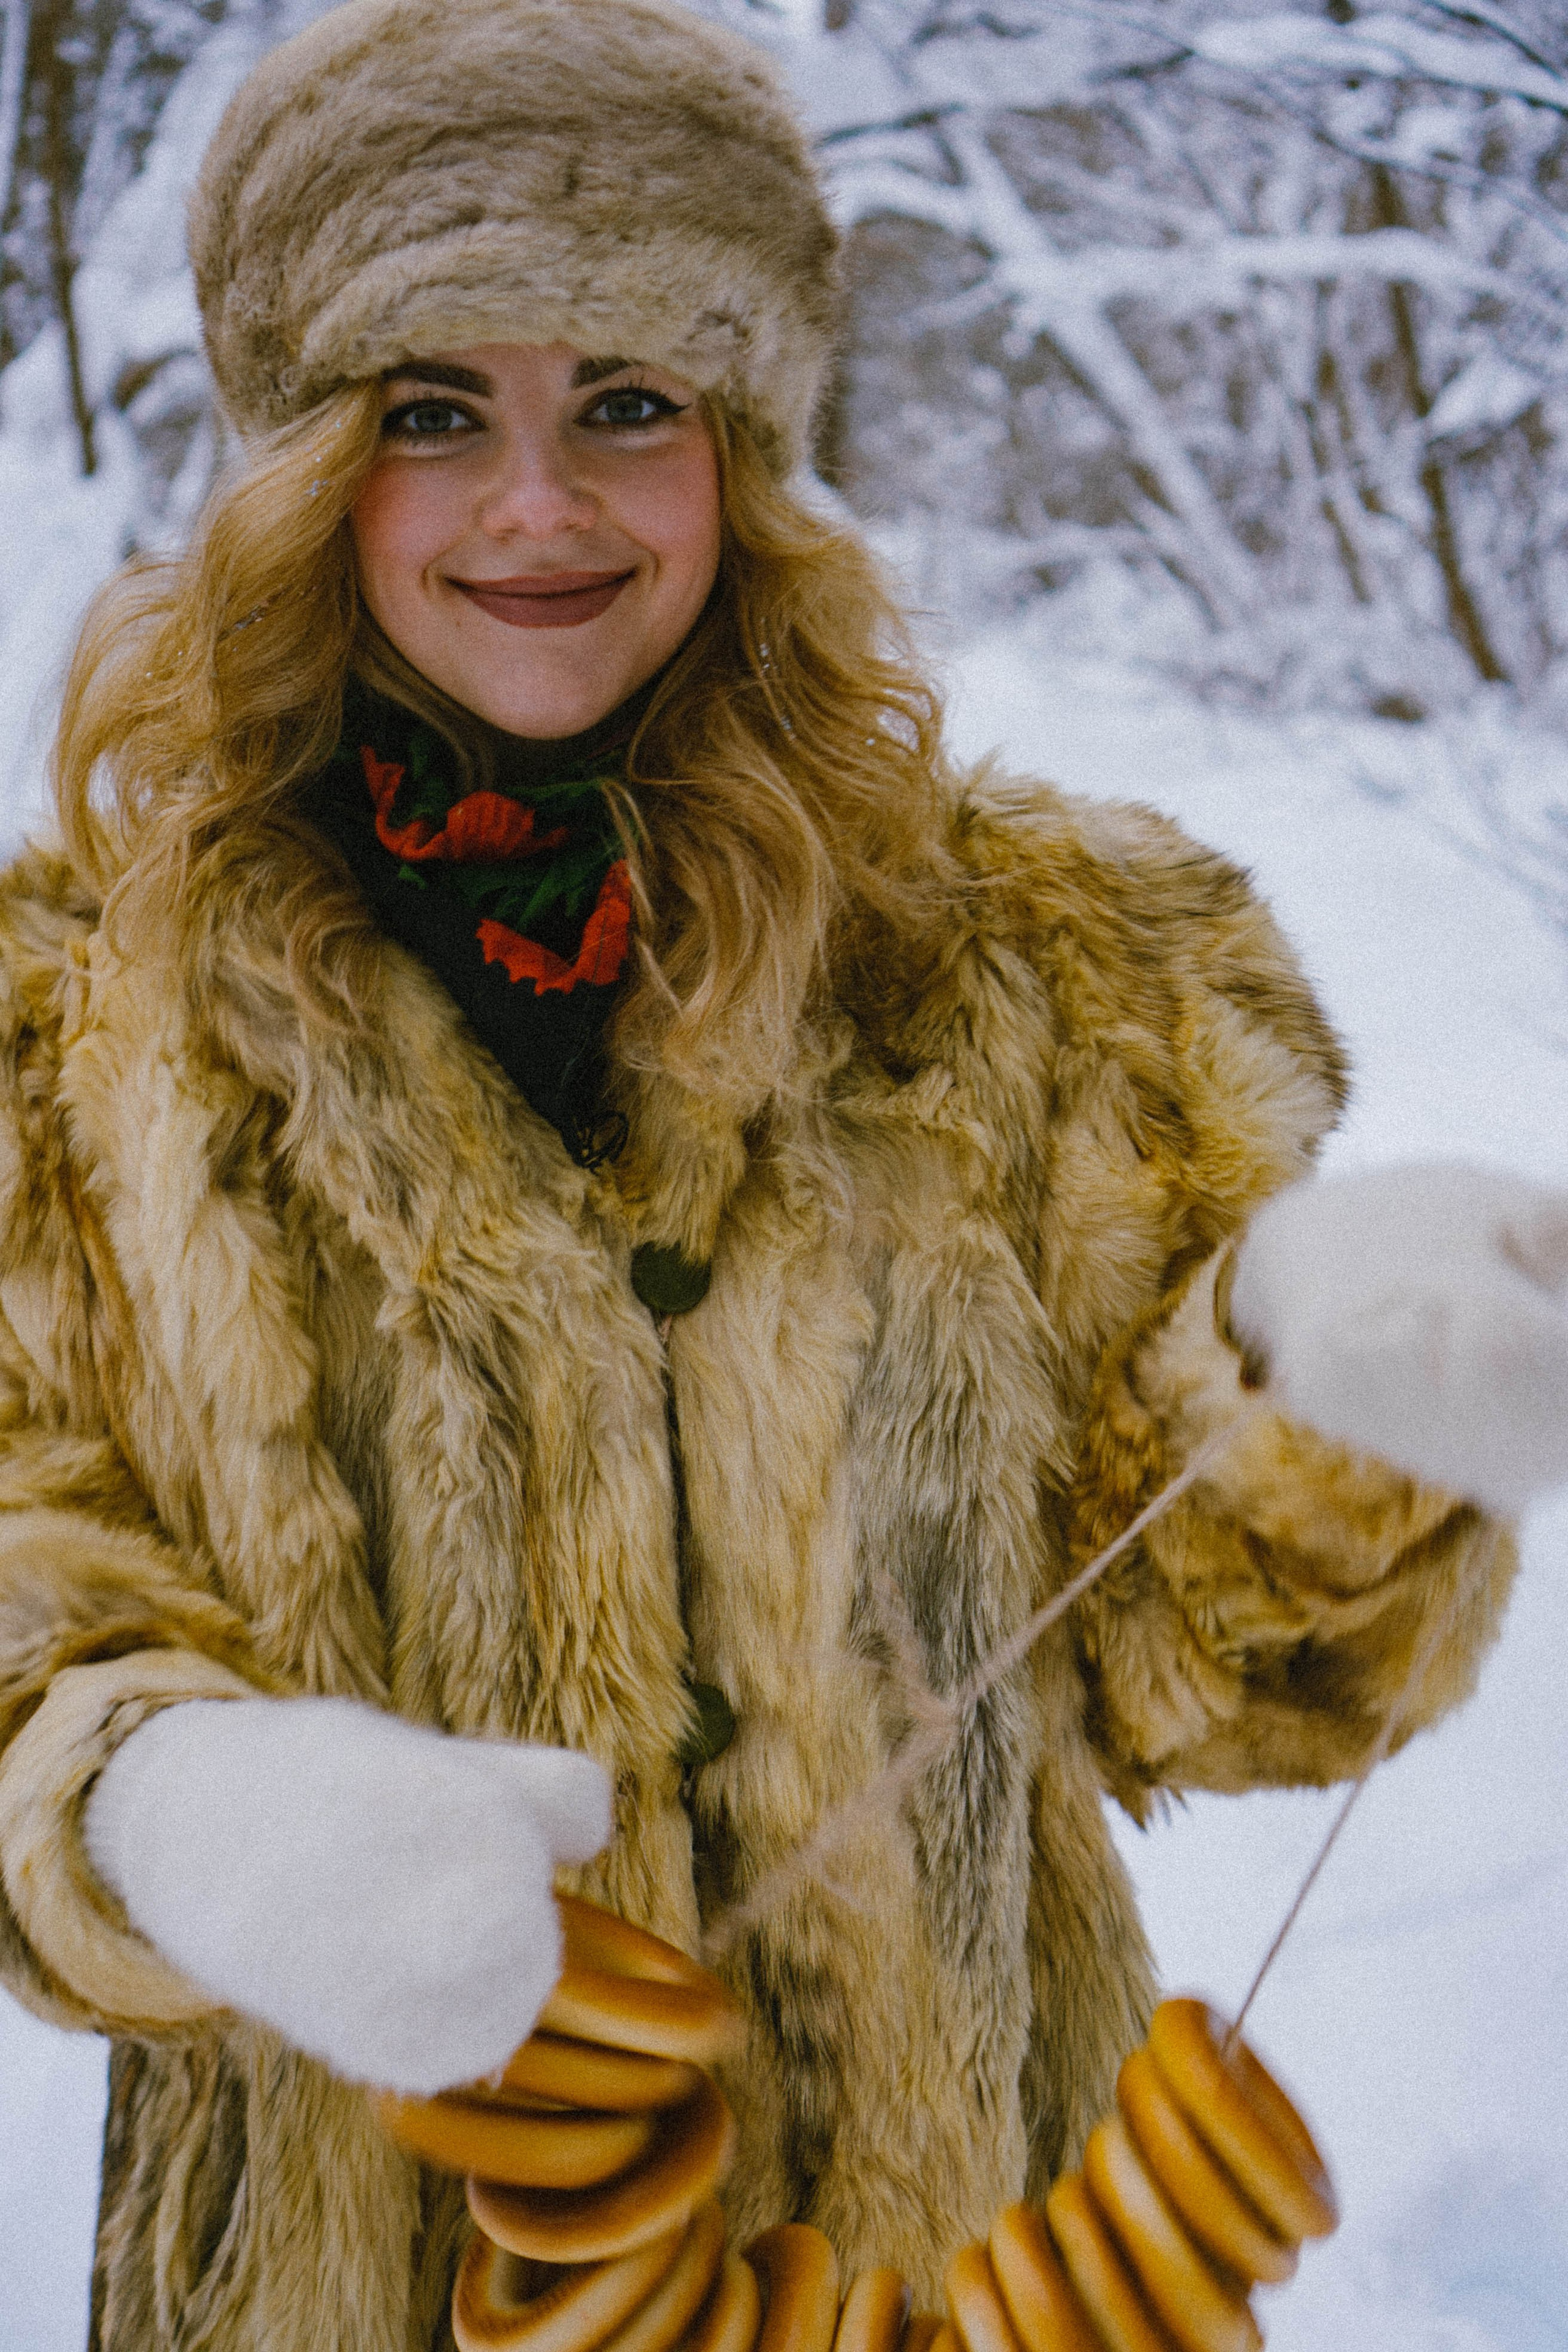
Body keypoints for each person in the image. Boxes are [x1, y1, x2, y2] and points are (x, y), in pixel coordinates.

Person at [1, 0, 1564, 2345]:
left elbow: (1204, 1680)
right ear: (307, 466)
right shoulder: (63, 1045)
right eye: (438, 412)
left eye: (627, 403)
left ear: (744, 448)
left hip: (983, 2265)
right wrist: (175, 1810)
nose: (541, 507)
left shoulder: (1047, 972)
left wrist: (1325, 1379)